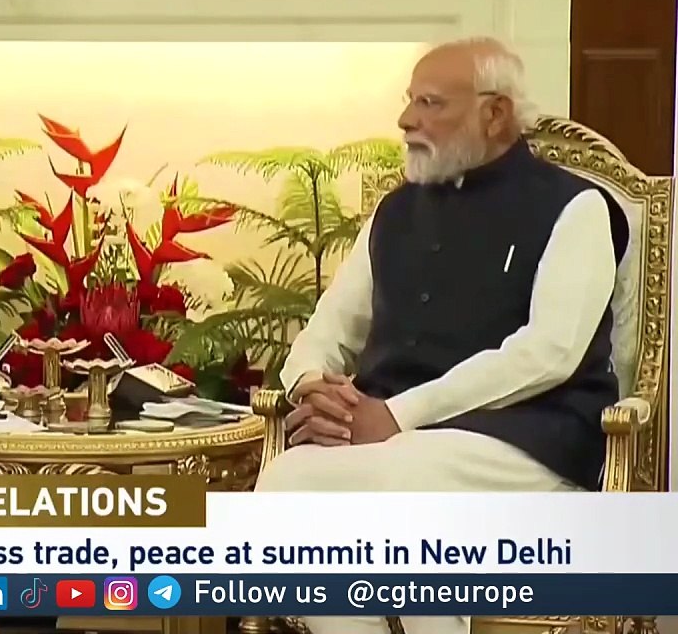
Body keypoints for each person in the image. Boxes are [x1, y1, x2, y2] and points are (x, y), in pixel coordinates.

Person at [253, 37, 629, 634]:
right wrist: (312, 388)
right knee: (286, 482)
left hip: (529, 435)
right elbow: (329, 327)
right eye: (409, 101)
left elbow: (549, 352)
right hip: (394, 437)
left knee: (409, 481)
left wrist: (398, 415)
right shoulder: (395, 211)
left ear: (495, 113)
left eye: (430, 103)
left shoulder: (575, 207)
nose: (406, 119)